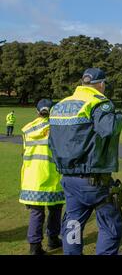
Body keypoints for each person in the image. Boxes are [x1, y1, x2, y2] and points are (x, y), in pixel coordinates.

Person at [49, 68, 122, 255]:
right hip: (93, 179)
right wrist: (119, 116)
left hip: (68, 178)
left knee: (73, 224)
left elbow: (51, 140)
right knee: (110, 226)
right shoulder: (99, 103)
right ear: (101, 84)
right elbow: (108, 129)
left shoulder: (60, 105)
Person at [19, 99, 65, 255]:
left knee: (36, 213)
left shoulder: (27, 129)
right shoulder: (57, 129)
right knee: (55, 210)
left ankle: (35, 246)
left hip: (31, 178)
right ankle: (53, 239)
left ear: (36, 111)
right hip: (52, 176)